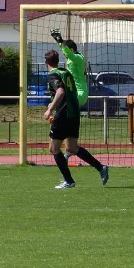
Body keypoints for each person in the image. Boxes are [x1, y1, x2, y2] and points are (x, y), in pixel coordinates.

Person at [44, 50, 109, 189]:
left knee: (53, 148)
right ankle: (101, 167)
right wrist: (54, 104)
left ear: (46, 63)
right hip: (74, 114)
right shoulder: (66, 72)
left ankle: (68, 180)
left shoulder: (53, 74)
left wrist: (50, 109)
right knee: (72, 147)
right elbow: (67, 93)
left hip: (63, 114)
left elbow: (60, 92)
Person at [50, 30, 89, 162]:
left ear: (72, 49)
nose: (65, 54)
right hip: (75, 93)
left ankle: (58, 127)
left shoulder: (78, 58)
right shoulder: (72, 58)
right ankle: (69, 151)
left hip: (80, 93)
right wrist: (59, 43)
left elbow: (68, 54)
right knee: (67, 117)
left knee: (63, 112)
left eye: (67, 50)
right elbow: (66, 53)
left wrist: (60, 42)